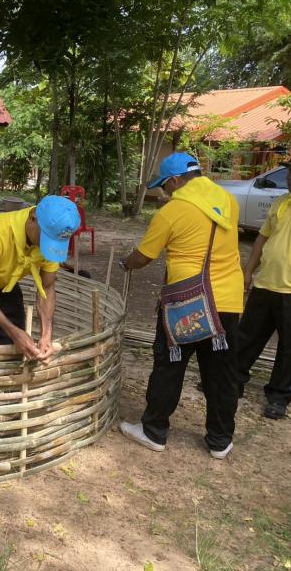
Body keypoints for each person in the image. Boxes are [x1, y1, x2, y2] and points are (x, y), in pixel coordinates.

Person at [118, 152, 243, 459]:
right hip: (226, 302)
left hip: (185, 303)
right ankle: (220, 441)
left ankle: (154, 431)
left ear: (175, 180)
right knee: (221, 373)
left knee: (170, 367)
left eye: (165, 186)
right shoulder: (229, 201)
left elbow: (144, 256)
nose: (165, 192)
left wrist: (126, 263)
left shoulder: (172, 211)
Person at [0, 196, 81, 360]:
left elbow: (47, 287)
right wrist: (13, 332)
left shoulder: (50, 244)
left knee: (13, 350)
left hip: (7, 285)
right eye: (46, 239)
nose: (47, 247)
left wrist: (46, 334)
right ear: (32, 218)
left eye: (54, 243)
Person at [236, 151, 291, 419]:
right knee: (247, 337)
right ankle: (233, 380)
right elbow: (262, 239)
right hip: (265, 284)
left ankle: (279, 396)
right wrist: (248, 271)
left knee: (290, 348)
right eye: (290, 171)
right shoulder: (281, 202)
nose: (289, 177)